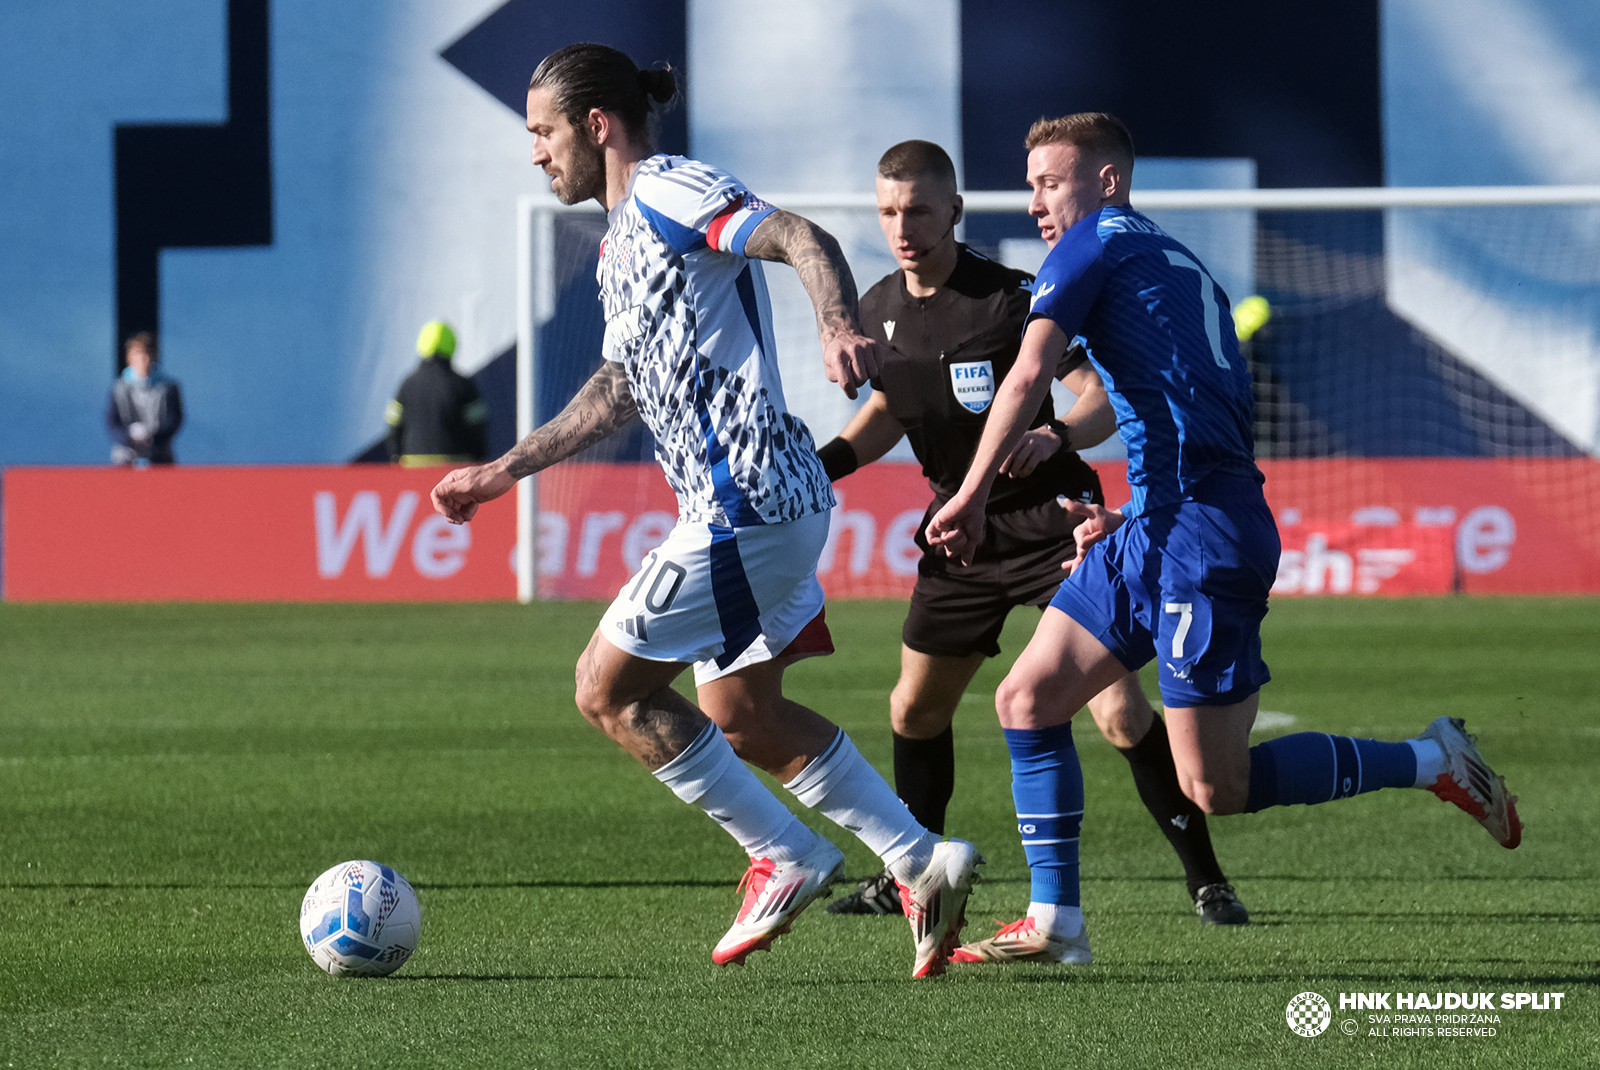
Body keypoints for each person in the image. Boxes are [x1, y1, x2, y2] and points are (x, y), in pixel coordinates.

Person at [429, 43, 982, 979]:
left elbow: (802, 237)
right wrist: (504, 470)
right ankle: (920, 857)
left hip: (747, 502)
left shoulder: (669, 189)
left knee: (605, 689)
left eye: (543, 131)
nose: (535, 153)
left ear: (595, 125)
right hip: (772, 504)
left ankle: (787, 853)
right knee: (744, 712)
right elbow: (619, 387)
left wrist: (838, 323)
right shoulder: (619, 246)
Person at [926, 113, 1522, 966]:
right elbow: (1164, 401)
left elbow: (1027, 376)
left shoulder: (1092, 245)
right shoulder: (1173, 261)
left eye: (1049, 183)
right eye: (1030, 187)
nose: (1035, 205)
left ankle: (1432, 761)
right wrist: (1122, 505)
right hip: (1161, 522)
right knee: (1027, 699)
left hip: (1203, 534)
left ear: (1105, 182)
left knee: (1215, 787)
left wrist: (974, 493)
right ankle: (1056, 921)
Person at [816, 140, 1250, 936]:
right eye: (888, 211)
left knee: (1117, 713)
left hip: (1054, 522)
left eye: (918, 209)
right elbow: (888, 411)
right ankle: (909, 871)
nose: (903, 226)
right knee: (914, 708)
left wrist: (1058, 435)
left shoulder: (1013, 296)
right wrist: (823, 465)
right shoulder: (879, 306)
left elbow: (1098, 397)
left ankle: (1205, 877)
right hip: (960, 530)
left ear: (953, 210)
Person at [385, 320, 489, 466]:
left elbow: (393, 424)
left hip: (413, 469)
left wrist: (396, 457)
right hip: (454, 468)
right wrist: (477, 459)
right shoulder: (464, 386)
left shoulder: (406, 385)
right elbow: (478, 428)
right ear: (452, 345)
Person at [107, 331, 183, 466]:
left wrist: (152, 437)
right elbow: (112, 421)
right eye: (138, 355)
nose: (143, 360)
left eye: (147, 355)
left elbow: (174, 420)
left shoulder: (169, 387)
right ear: (129, 358)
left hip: (160, 454)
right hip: (126, 455)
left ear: (154, 357)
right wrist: (130, 435)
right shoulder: (118, 388)